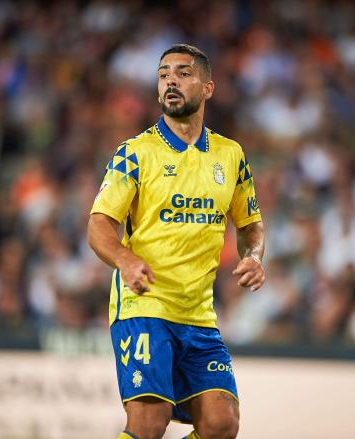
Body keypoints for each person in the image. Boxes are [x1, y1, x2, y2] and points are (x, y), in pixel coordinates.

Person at [88, 44, 265, 439]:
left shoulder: (230, 155)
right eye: (164, 73)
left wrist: (254, 256)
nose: (171, 79)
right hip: (144, 305)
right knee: (150, 422)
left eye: (184, 73)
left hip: (198, 314)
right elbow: (99, 225)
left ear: (208, 88)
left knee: (222, 424)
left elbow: (251, 225)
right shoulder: (134, 153)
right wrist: (125, 261)